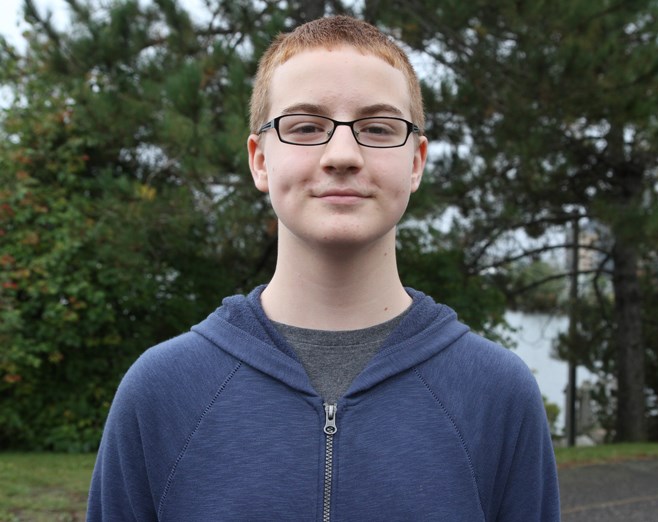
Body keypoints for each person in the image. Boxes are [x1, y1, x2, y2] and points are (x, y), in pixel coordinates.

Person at [87, 15, 560, 521]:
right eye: (306, 127)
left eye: (378, 128)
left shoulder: (496, 392)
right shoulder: (162, 390)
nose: (342, 154)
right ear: (260, 161)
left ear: (417, 161)